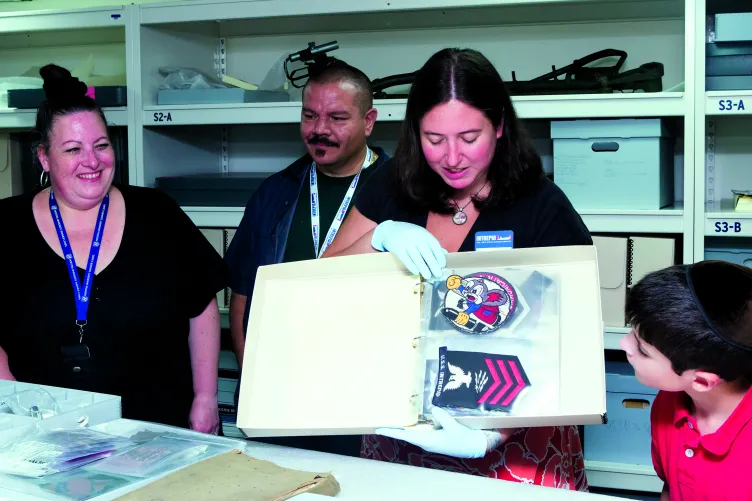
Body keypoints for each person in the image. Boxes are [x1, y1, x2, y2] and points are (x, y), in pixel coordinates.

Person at [323, 48, 592, 489]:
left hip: (513, 443)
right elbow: (322, 284)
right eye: (434, 139)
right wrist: (378, 239)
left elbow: (569, 345)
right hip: (401, 433)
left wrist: (491, 436)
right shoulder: (390, 188)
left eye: (469, 138)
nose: (452, 157)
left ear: (500, 125)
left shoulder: (542, 206)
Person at [0, 64, 227, 433]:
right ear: (43, 157)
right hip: (45, 435)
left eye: (101, 145)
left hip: (159, 431)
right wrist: (13, 409)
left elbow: (200, 307)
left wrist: (205, 398)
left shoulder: (157, 213)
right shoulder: (5, 225)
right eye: (73, 149)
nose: (92, 161)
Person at [224, 61, 390, 455]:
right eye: (309, 115)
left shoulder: (402, 191)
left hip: (368, 402)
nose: (319, 129)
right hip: (283, 396)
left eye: (336, 117)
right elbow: (242, 298)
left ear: (368, 121)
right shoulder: (275, 193)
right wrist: (254, 381)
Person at [621, 260, 752, 501]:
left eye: (642, 349)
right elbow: (670, 488)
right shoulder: (669, 403)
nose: (624, 345)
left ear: (702, 382)